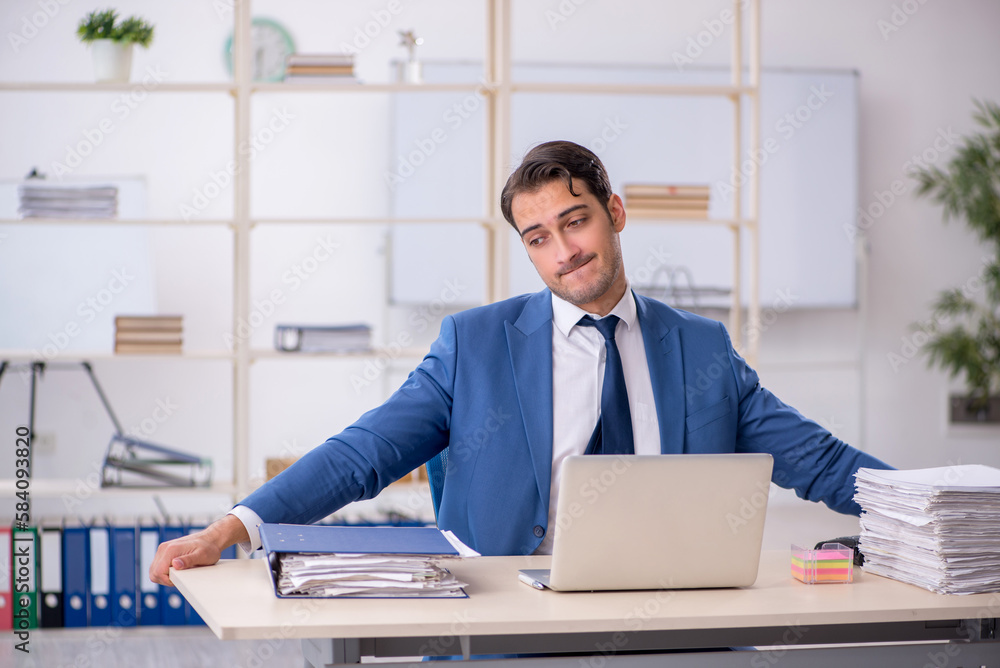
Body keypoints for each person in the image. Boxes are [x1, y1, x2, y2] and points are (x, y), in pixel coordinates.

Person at [150, 140, 890, 586]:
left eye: (576, 222)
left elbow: (819, 462)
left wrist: (949, 516)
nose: (564, 252)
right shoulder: (476, 344)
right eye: (538, 237)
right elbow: (364, 453)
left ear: (615, 212)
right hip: (513, 615)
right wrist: (233, 528)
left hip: (681, 610)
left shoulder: (700, 347)